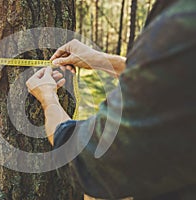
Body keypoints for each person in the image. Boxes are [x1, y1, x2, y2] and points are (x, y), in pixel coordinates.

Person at [26, 0, 196, 199]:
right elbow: (177, 80)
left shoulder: (183, 23)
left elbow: (94, 159)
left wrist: (49, 99)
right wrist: (105, 61)